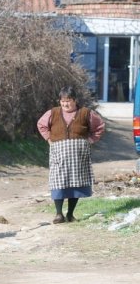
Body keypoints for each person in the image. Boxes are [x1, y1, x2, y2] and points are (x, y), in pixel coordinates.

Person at [37, 86, 106, 224]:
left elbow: (99, 126)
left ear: (75, 100)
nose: (65, 104)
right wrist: (49, 139)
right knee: (58, 182)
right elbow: (41, 124)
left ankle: (70, 214)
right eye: (62, 101)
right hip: (59, 153)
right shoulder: (53, 112)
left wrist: (90, 140)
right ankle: (58, 214)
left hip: (78, 155)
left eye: (68, 100)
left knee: (76, 184)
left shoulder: (86, 113)